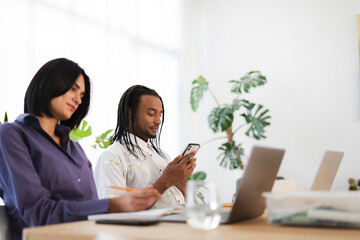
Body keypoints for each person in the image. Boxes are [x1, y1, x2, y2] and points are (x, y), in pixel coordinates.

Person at [0, 59, 160, 240]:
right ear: (50, 82)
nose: (78, 99)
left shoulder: (74, 148)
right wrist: (111, 205)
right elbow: (37, 212)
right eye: (73, 89)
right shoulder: (11, 135)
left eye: (82, 95)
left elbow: (91, 208)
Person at [94, 85, 197, 209]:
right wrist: (165, 182)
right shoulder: (113, 156)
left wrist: (183, 186)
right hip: (158, 227)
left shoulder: (163, 155)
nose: (158, 120)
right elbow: (114, 211)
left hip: (184, 222)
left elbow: (192, 207)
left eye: (160, 115)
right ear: (130, 112)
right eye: (151, 114)